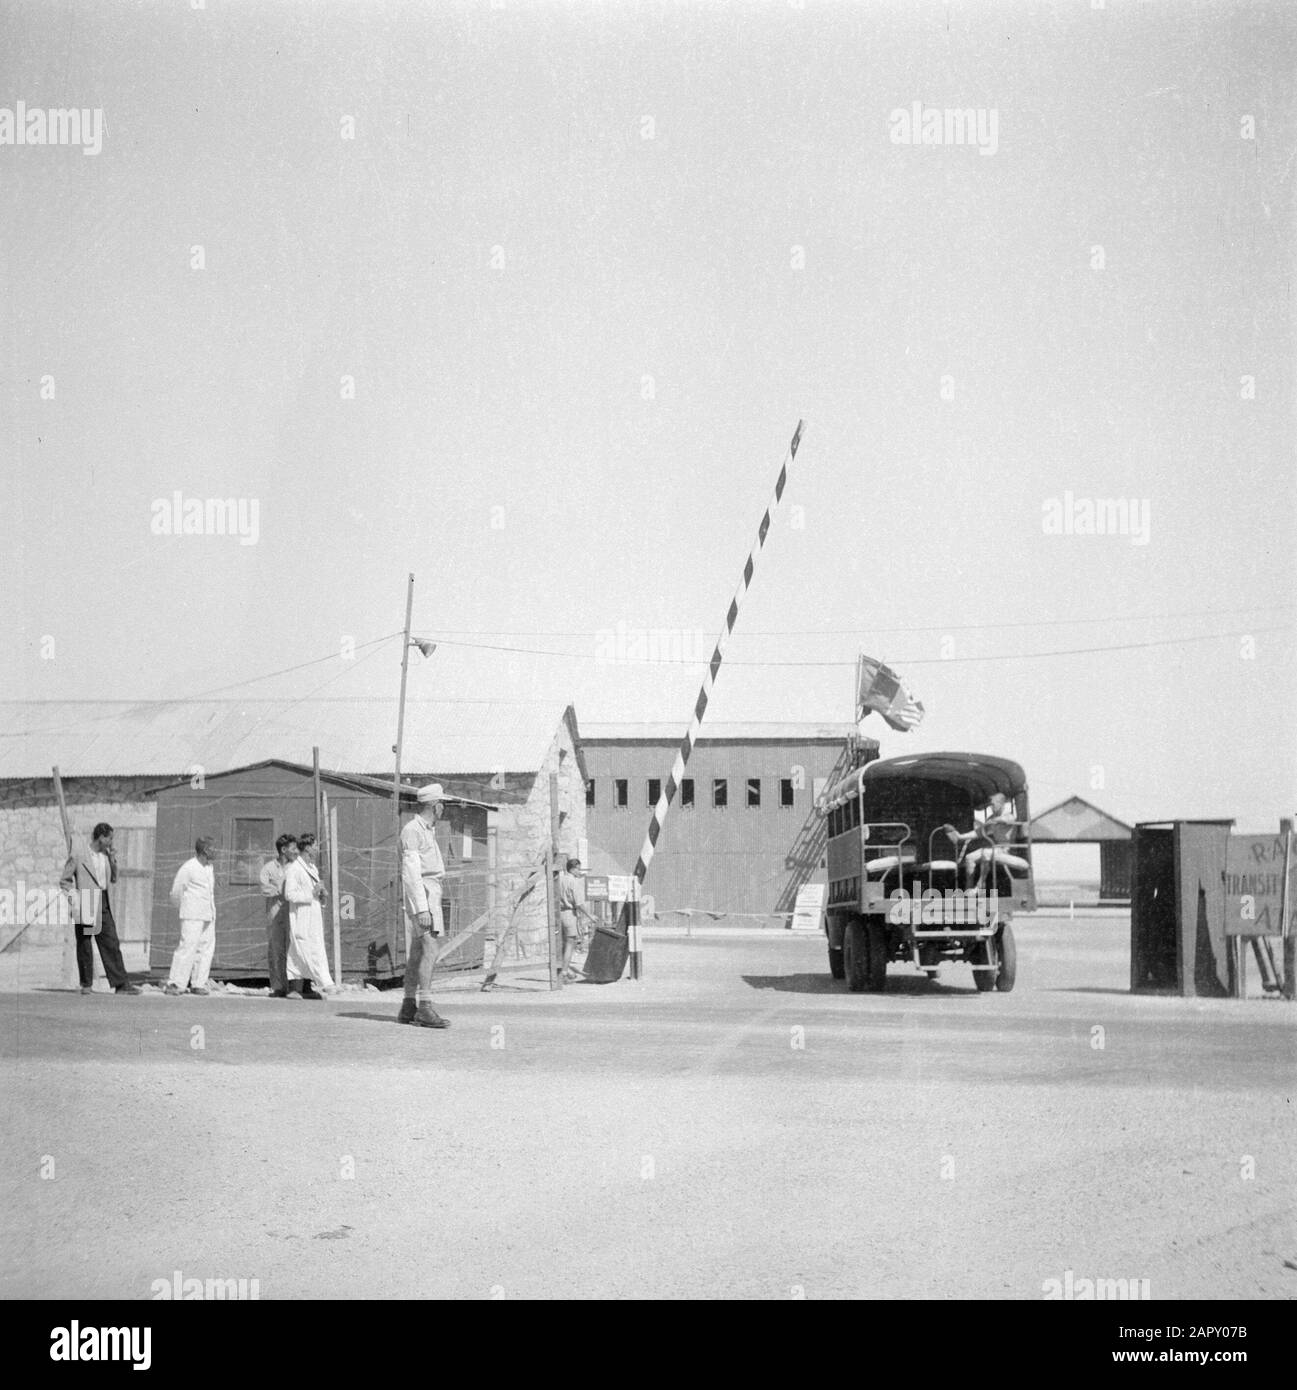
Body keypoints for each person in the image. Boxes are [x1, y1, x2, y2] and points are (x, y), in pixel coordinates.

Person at [60, 821, 140, 995]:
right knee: (85, 944)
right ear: (101, 837)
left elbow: (113, 879)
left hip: (103, 901)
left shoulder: (106, 856)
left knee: (111, 942)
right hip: (86, 900)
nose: (111, 842)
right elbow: (64, 880)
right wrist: (75, 899)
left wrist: (112, 859)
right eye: (109, 838)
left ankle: (121, 984)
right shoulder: (79, 854)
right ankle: (86, 983)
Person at [398, 784, 451, 1028]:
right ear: (433, 805)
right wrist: (422, 909)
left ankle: (409, 1005)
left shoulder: (427, 829)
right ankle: (425, 1007)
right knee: (431, 949)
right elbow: (411, 873)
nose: (443, 808)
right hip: (423, 895)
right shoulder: (413, 830)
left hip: (430, 892)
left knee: (418, 951)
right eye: (442, 803)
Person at [283, 832, 335, 998]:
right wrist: (311, 893)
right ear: (306, 848)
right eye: (314, 845)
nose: (317, 849)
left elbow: (314, 893)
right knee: (299, 949)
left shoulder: (312, 868)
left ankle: (306, 987)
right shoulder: (294, 869)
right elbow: (289, 895)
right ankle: (294, 988)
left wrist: (321, 895)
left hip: (313, 915)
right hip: (301, 915)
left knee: (313, 948)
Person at [165, 837, 218, 995]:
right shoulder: (189, 867)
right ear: (205, 850)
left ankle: (198, 983)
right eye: (213, 848)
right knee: (187, 947)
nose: (215, 851)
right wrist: (185, 907)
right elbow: (176, 891)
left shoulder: (209, 868)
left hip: (208, 913)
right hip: (192, 914)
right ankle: (175, 983)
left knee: (206, 948)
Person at [944, 793, 1017, 891]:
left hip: (1005, 849)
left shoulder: (1008, 816)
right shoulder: (991, 818)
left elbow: (1007, 820)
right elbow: (979, 832)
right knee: (969, 858)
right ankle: (969, 889)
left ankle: (979, 886)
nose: (991, 807)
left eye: (993, 804)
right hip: (995, 849)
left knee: (986, 853)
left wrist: (994, 821)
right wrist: (961, 837)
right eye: (990, 805)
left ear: (1002, 804)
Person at [259, 834, 297, 998]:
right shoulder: (269, 868)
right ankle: (278, 986)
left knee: (293, 949)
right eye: (292, 848)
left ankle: (293, 986)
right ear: (283, 850)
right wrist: (279, 891)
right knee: (276, 949)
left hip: (292, 914)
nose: (295, 852)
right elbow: (264, 887)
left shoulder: (295, 867)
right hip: (275, 914)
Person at [556, 857, 596, 982]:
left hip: (559, 914)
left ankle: (565, 970)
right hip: (569, 914)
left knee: (563, 944)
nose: (579, 872)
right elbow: (579, 904)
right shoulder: (573, 882)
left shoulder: (559, 879)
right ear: (572, 869)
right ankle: (563, 973)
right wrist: (590, 916)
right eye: (578, 869)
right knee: (570, 944)